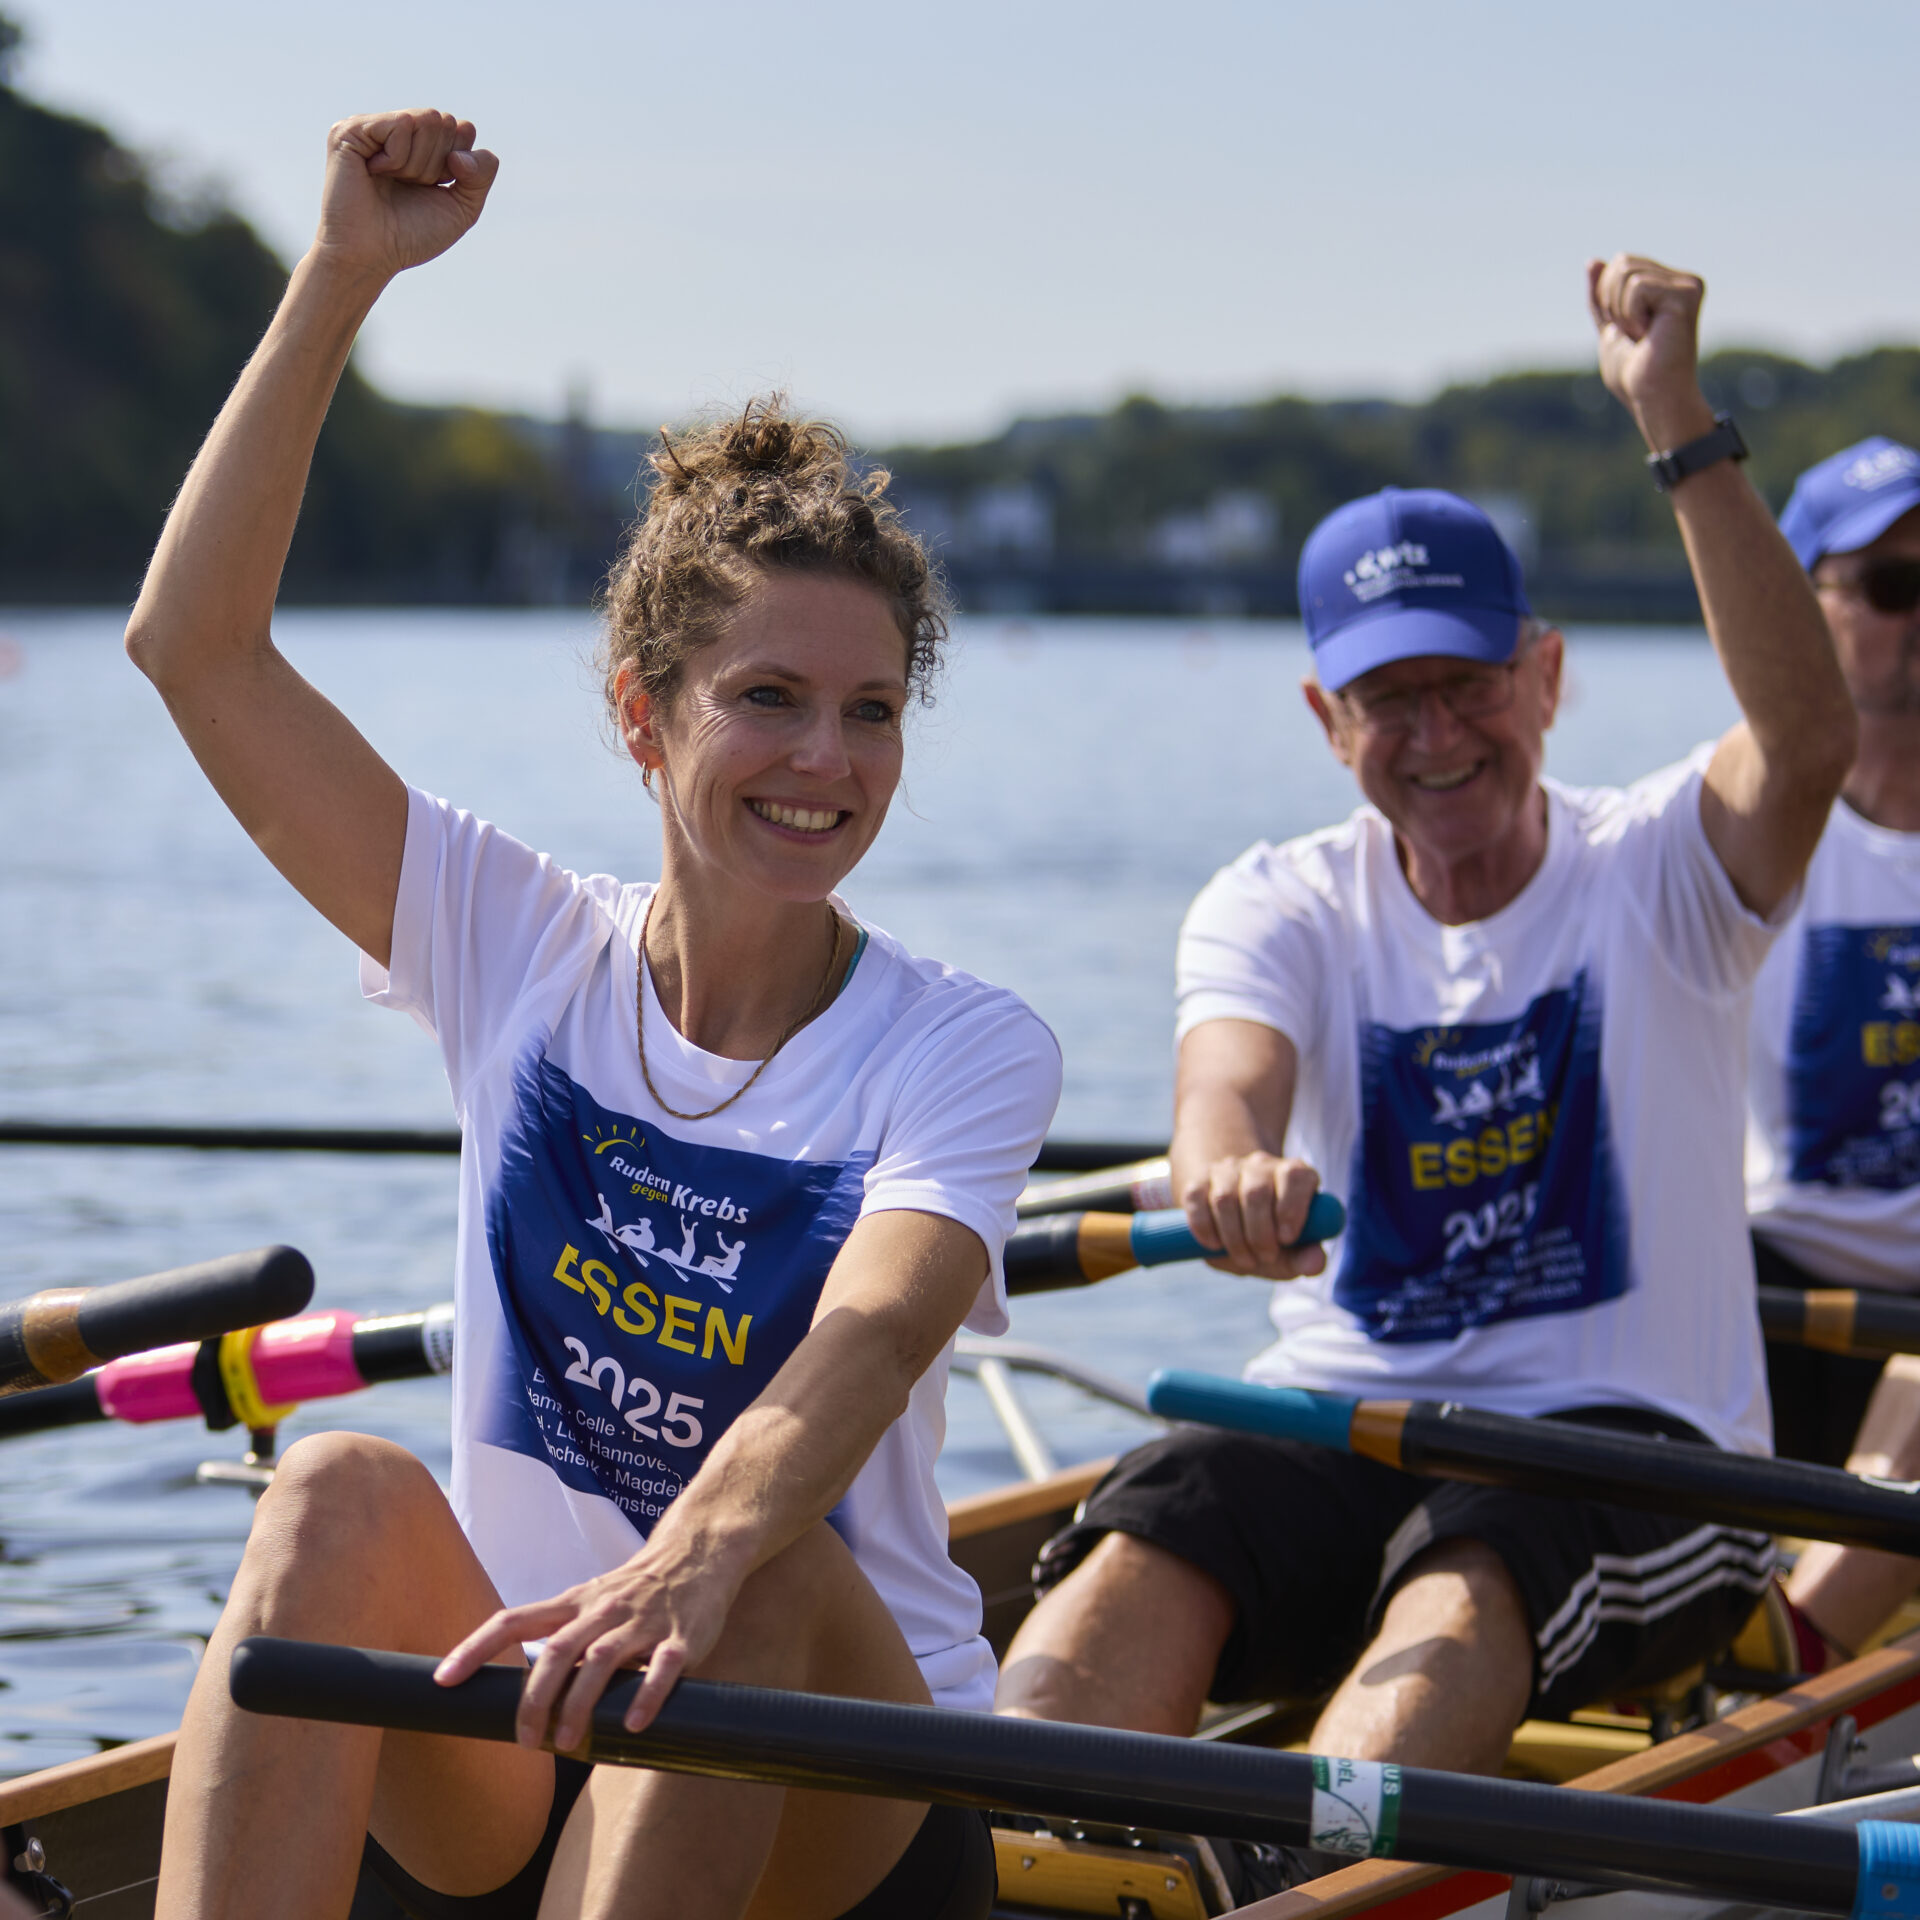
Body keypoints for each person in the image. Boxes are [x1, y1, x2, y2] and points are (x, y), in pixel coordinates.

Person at [131, 111, 1060, 1920]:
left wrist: (687, 1557)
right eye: (768, 698)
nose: (826, 759)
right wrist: (338, 279)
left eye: (872, 712)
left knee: (760, 1566)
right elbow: (196, 650)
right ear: (645, 718)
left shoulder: (963, 1044)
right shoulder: (511, 939)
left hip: (837, 1791)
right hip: (533, 1723)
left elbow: (872, 1338)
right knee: (331, 1488)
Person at [997, 257, 1855, 1817]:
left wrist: (1673, 418)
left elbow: (1808, 739)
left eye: (1468, 686)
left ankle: (1305, 1884)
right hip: (1347, 1413)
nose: (1437, 736)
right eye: (1389, 701)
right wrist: (1228, 1170)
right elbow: (1225, 1088)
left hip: (1639, 1453)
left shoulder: (1663, 869)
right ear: (1325, 721)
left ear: (1547, 677)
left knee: (1471, 1574)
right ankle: (1033, 1853)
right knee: (1144, 1540)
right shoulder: (1278, 903)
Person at [1744, 438, 1920, 1662]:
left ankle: (1783, 1670)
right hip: (1765, 1292)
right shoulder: (1722, 829)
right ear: (1803, 610)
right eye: (1897, 587)